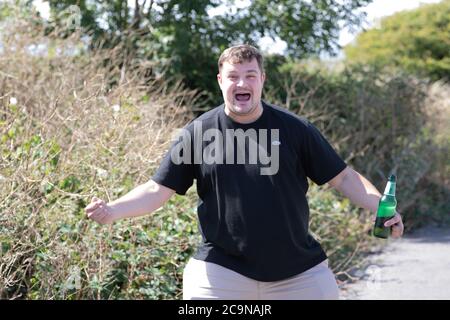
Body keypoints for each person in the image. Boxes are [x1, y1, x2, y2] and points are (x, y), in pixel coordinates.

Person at [85, 44, 404, 300]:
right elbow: (158, 190)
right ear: (221, 81)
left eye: (250, 76)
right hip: (222, 271)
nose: (242, 83)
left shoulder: (295, 130)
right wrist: (112, 210)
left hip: (298, 271)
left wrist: (381, 207)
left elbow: (343, 177)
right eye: (234, 76)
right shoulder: (198, 133)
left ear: (263, 80)